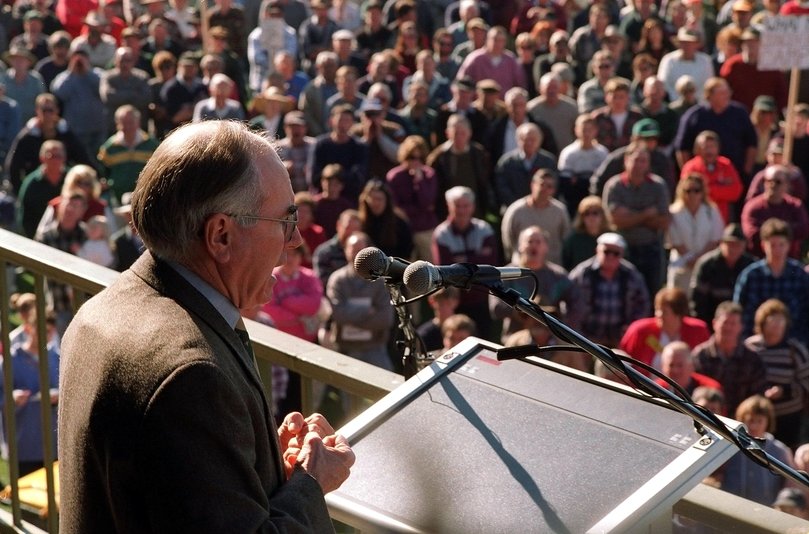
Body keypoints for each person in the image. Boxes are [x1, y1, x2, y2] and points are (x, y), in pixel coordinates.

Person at [58, 120, 354, 532]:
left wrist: (263, 466)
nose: (296, 241)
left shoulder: (101, 311)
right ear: (220, 235)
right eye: (286, 220)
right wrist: (310, 482)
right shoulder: (191, 378)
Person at [489, 225, 583, 342]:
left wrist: (561, 324)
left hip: (552, 343)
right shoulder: (507, 274)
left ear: (546, 247)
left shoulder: (558, 276)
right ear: (520, 246)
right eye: (529, 241)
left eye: (538, 242)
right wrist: (523, 313)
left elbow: (577, 303)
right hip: (516, 340)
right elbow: (496, 307)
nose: (534, 245)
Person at [602, 141, 670, 299]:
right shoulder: (614, 186)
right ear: (626, 160)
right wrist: (646, 214)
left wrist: (630, 216)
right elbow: (616, 221)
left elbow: (664, 222)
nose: (639, 165)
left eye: (643, 160)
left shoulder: (658, 186)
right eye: (636, 160)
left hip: (651, 249)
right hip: (622, 252)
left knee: (652, 294)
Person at [432, 186, 499, 339]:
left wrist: (462, 261)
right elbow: (446, 270)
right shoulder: (442, 234)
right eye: (457, 206)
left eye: (466, 206)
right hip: (456, 300)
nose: (462, 211)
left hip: (481, 297)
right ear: (449, 207)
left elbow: (489, 265)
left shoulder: (485, 230)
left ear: (473, 207)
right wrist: (474, 259)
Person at [0, 309, 60, 477]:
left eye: (49, 331)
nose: (45, 335)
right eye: (41, 330)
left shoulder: (56, 359)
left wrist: (59, 396)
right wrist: (11, 398)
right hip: (23, 446)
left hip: (53, 446)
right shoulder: (10, 361)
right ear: (27, 329)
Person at [744, 299, 809, 449]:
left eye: (781, 321)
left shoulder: (795, 351)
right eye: (773, 321)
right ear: (762, 322)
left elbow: (806, 382)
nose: (777, 326)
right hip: (755, 417)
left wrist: (785, 391)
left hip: (788, 418)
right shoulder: (751, 347)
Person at [326, 231, 395, 371]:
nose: (356, 253)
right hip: (345, 350)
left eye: (360, 250)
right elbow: (338, 314)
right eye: (353, 249)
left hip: (375, 348)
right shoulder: (338, 280)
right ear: (345, 251)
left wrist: (350, 316)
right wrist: (368, 311)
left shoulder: (380, 282)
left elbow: (385, 319)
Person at [734, 218, 809, 346]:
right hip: (755, 345)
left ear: (789, 245)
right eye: (772, 245)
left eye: (781, 244)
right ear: (763, 245)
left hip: (794, 345)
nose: (777, 250)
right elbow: (738, 312)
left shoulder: (799, 275)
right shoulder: (750, 276)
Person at [568, 232, 650, 348]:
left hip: (620, 340)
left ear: (622, 254)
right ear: (597, 251)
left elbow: (643, 304)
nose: (610, 257)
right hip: (586, 338)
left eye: (616, 253)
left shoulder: (632, 275)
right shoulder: (582, 273)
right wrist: (577, 332)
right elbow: (569, 302)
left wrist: (631, 328)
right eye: (606, 252)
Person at [692, 301, 769, 417]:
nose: (728, 328)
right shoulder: (700, 356)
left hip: (741, 422)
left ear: (741, 327)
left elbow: (757, 396)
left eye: (733, 324)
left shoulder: (752, 359)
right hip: (705, 418)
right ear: (714, 323)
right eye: (725, 323)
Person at [719, 395, 793, 506]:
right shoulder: (729, 446)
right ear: (742, 420)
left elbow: (789, 483)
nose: (754, 426)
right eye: (750, 420)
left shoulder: (779, 451)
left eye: (760, 421)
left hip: (765, 510)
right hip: (731, 506)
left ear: (768, 421)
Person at [619, 287, 710, 372]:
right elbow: (622, 362)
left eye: (664, 311)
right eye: (657, 309)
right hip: (642, 387)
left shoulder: (697, 331)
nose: (659, 314)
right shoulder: (640, 330)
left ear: (678, 314)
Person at [666, 173, 724, 292]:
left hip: (707, 265)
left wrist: (700, 260)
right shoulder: (673, 212)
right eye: (688, 191)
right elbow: (674, 240)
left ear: (702, 192)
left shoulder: (711, 211)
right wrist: (690, 258)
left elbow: (715, 238)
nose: (692, 194)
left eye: (696, 190)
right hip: (682, 265)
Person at [689, 223, 756, 326]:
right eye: (730, 244)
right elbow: (698, 302)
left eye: (737, 245)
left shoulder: (751, 266)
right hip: (712, 320)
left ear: (744, 246)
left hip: (744, 324)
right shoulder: (706, 265)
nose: (733, 248)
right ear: (721, 244)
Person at [501, 169, 570, 266]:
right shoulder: (515, 210)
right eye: (541, 184)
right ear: (532, 185)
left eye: (549, 186)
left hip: (551, 268)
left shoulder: (560, 212)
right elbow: (508, 240)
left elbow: (566, 238)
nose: (544, 189)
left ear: (554, 190)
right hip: (521, 269)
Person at [386, 135, 438, 262]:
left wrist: (419, 181)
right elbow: (396, 207)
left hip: (426, 228)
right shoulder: (395, 176)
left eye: (419, 158)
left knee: (431, 267)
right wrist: (418, 210)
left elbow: (427, 202)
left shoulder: (429, 174)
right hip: (405, 230)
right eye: (411, 157)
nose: (415, 162)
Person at [97, 105, 160, 204]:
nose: (127, 127)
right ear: (117, 124)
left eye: (130, 123)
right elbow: (103, 173)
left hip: (146, 199)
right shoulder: (109, 148)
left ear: (138, 122)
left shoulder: (152, 146)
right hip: (117, 201)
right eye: (123, 123)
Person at [741, 165, 809, 259]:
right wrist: (787, 229)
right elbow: (751, 234)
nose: (773, 185)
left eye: (778, 182)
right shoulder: (752, 206)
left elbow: (804, 229)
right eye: (769, 181)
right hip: (758, 260)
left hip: (789, 261)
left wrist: (768, 230)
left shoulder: (795, 206)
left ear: (787, 185)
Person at [679, 130, 743, 224]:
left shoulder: (726, 164)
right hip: (696, 220)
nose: (709, 151)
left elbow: (736, 191)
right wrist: (721, 189)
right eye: (705, 147)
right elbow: (686, 194)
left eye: (712, 147)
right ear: (697, 149)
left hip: (722, 220)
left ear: (718, 148)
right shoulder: (690, 168)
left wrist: (707, 190)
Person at [557, 114, 608, 218]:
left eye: (590, 129)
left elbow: (603, 180)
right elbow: (566, 182)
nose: (586, 133)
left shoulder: (603, 153)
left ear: (595, 131)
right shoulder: (568, 153)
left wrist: (579, 180)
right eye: (583, 129)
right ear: (576, 130)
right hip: (574, 201)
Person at [16, 139, 67, 238]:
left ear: (64, 158)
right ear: (42, 158)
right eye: (51, 156)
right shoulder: (31, 183)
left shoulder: (71, 180)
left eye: (59, 156)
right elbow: (24, 217)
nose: (56, 160)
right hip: (38, 238)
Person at [654, 341, 723, 395]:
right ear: (663, 367)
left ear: (691, 366)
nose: (675, 370)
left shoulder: (710, 389)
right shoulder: (654, 389)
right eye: (671, 365)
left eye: (680, 365)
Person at [561, 195, 609, 271]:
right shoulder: (573, 240)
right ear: (581, 217)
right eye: (586, 213)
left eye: (595, 213)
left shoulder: (610, 238)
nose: (591, 217)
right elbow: (565, 265)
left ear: (602, 215)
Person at [416, 286, 461, 352]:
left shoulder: (465, 329)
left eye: (449, 303)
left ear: (456, 301)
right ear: (431, 301)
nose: (445, 309)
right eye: (441, 303)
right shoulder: (424, 334)